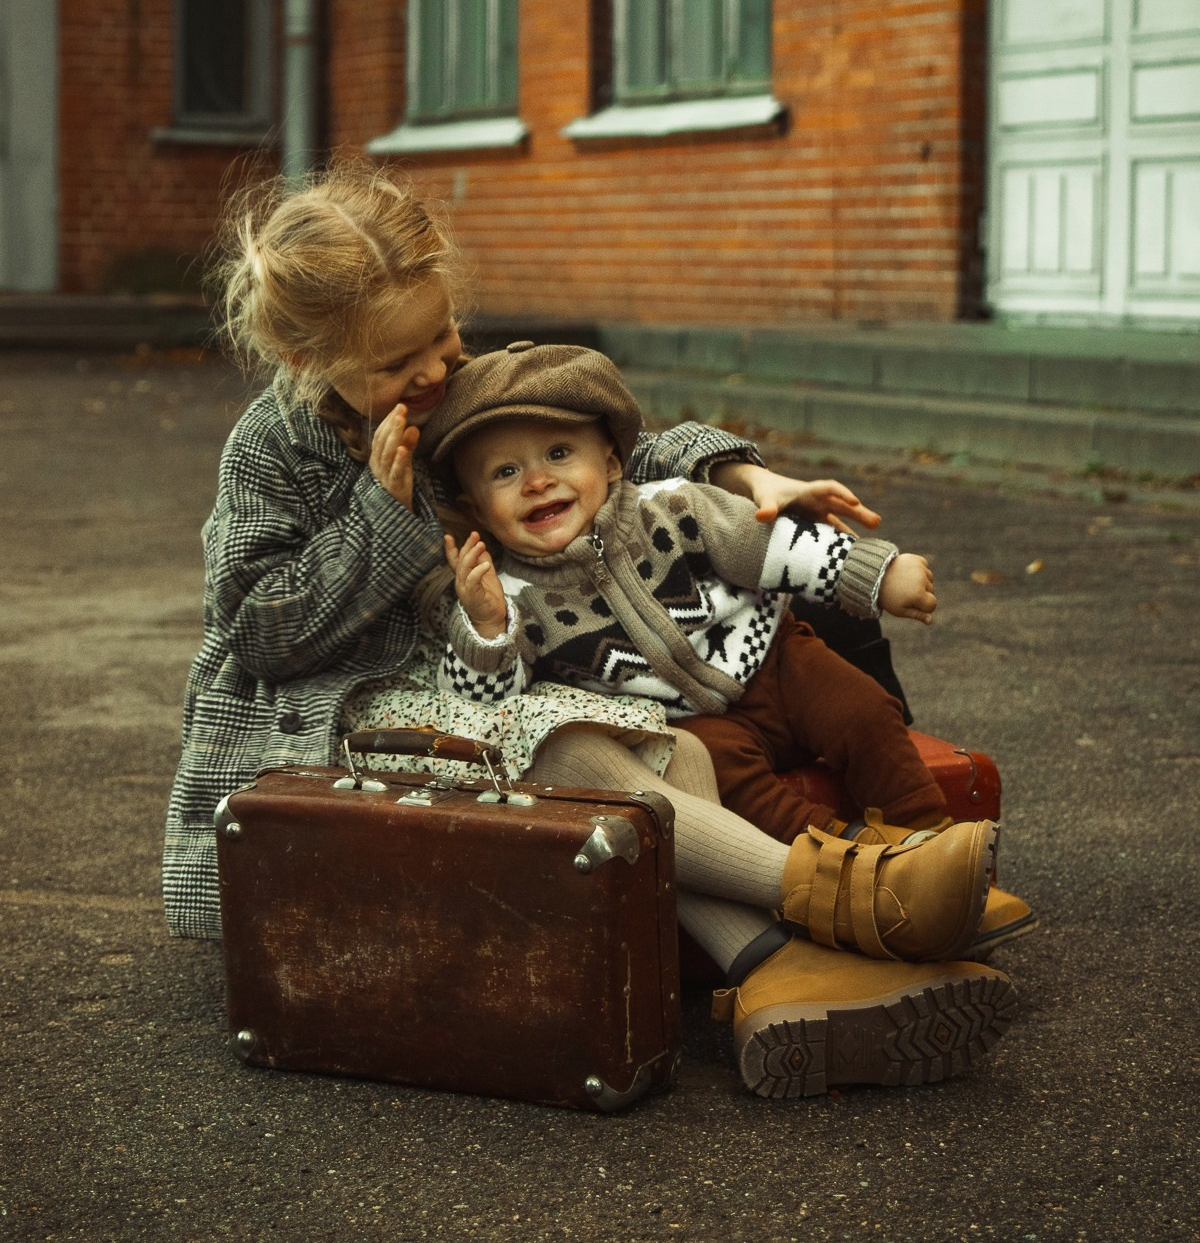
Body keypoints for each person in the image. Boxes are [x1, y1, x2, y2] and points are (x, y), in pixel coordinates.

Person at [164, 164, 1016, 1099]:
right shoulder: (268, 451)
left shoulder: (443, 389)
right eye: (399, 364)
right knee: (557, 740)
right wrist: (379, 511)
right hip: (340, 708)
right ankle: (857, 899)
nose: (438, 372)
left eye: (445, 335)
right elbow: (257, 632)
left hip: (486, 659)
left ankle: (777, 966)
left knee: (662, 752)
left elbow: (605, 445)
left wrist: (741, 481)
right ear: (307, 362)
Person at [423, 341, 1033, 952]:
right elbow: (491, 712)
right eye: (505, 472)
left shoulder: (674, 508)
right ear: (476, 507)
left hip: (775, 659)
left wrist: (875, 574)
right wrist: (483, 631)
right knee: (734, 793)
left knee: (863, 710)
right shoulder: (507, 595)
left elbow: (771, 548)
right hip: (686, 722)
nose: (537, 481)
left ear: (612, 463)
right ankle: (872, 874)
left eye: (560, 453)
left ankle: (933, 841)